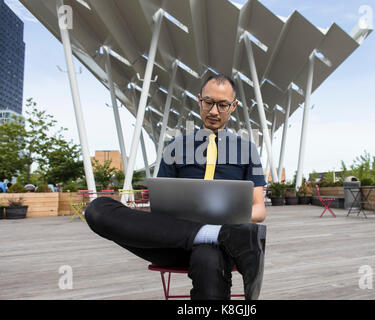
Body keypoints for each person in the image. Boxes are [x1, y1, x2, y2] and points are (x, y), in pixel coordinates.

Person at [85, 74, 267, 300]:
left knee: (208, 258)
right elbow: (161, 207)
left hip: (219, 251)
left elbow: (259, 210)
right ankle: (219, 234)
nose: (213, 111)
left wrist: (232, 221)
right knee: (97, 209)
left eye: (222, 105)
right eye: (208, 102)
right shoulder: (175, 146)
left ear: (233, 106)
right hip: (171, 241)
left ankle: (217, 236)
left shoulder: (247, 150)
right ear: (199, 100)